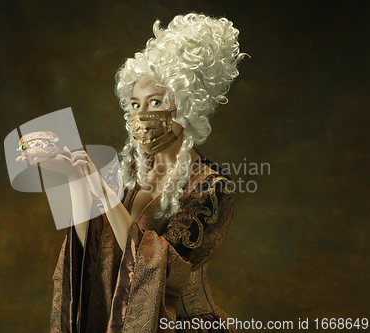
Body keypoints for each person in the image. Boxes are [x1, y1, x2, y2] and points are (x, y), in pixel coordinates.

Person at [19, 12, 245, 333]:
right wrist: (76, 179)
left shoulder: (210, 188)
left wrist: (102, 192)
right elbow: (91, 252)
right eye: (135, 104)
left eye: (155, 102)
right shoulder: (129, 171)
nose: (141, 115)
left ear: (186, 106)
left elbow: (159, 273)